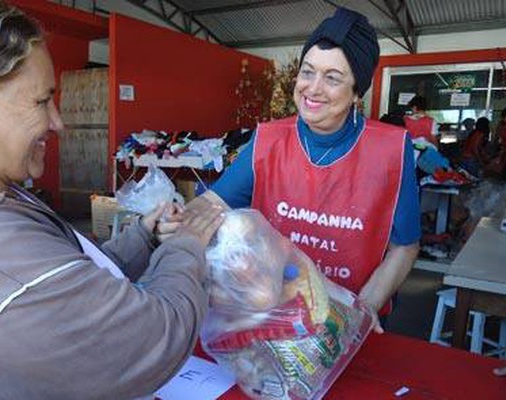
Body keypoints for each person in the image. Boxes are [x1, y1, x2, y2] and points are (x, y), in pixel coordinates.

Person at [0, 1, 224, 399]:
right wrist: (185, 247)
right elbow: (154, 338)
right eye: (42, 101)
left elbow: (72, 277)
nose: (58, 122)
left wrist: (146, 235)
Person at [180, 7, 420, 331]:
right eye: (308, 72)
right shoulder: (268, 140)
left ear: (355, 92)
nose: (313, 88)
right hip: (272, 317)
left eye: (332, 78)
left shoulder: (391, 150)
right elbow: (212, 205)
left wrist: (362, 311)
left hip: (349, 322)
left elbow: (404, 246)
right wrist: (178, 220)